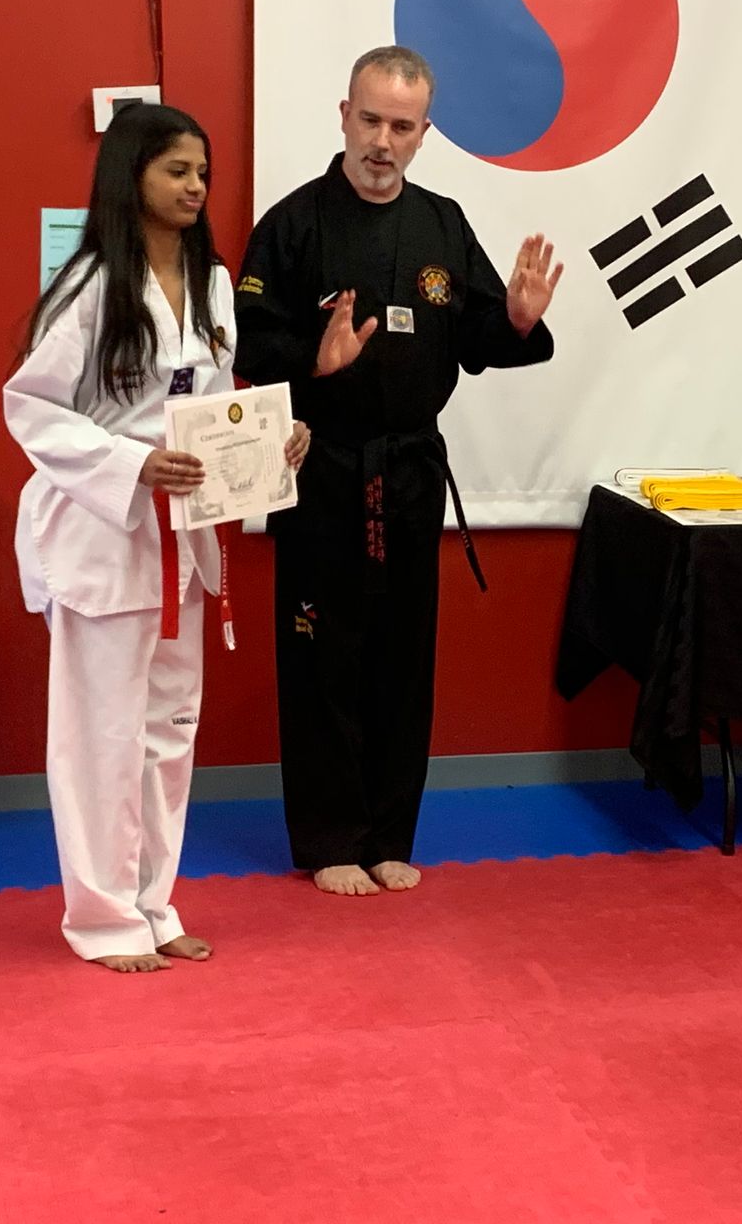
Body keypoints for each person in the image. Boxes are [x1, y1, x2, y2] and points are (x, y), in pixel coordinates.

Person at [234, 45, 563, 897]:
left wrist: (516, 320)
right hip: (322, 467)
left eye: (403, 127)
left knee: (402, 658)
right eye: (372, 120)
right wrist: (314, 360)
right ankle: (331, 839)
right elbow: (247, 343)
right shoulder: (293, 224)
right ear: (344, 116)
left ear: (425, 134)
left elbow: (480, 338)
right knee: (323, 656)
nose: (384, 142)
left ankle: (388, 835)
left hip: (411, 471)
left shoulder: (443, 225)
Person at [4, 103, 311, 970]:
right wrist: (130, 464)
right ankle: (102, 917)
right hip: (105, 532)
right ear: (130, 174)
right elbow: (30, 408)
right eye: (177, 170)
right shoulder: (90, 286)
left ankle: (152, 902)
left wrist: (271, 442)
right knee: (102, 734)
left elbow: (212, 407)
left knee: (170, 728)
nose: (195, 186)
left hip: (184, 535)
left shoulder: (213, 283)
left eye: (202, 172)